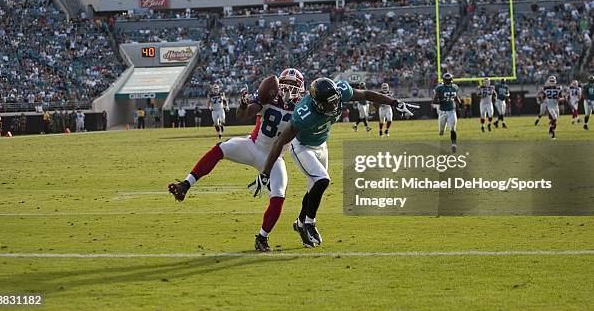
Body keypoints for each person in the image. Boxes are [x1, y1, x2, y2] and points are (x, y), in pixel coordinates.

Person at [257, 78, 418, 248]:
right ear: (317, 103)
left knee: (314, 189)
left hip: (321, 144)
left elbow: (366, 94)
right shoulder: (304, 113)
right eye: (329, 104)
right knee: (322, 179)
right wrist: (266, 171)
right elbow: (280, 141)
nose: (334, 106)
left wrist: (394, 102)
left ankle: (300, 223)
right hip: (302, 146)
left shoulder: (340, 91)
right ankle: (310, 223)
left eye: (335, 101)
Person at [168, 69, 306, 252]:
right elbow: (243, 116)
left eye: (294, 86)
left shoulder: (302, 107)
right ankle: (186, 184)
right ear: (278, 86)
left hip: (275, 158)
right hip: (253, 146)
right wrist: (242, 105)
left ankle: (262, 238)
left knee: (279, 195)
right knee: (220, 149)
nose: (289, 89)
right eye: (285, 85)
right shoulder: (269, 98)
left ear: (301, 88)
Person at [433, 73, 461, 153]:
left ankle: (454, 145)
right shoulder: (440, 88)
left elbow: (455, 97)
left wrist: (459, 103)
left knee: (452, 128)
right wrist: (442, 101)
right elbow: (434, 100)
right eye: (446, 80)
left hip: (451, 111)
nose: (448, 82)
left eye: (449, 80)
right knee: (441, 132)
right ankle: (442, 130)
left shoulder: (455, 87)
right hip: (442, 112)